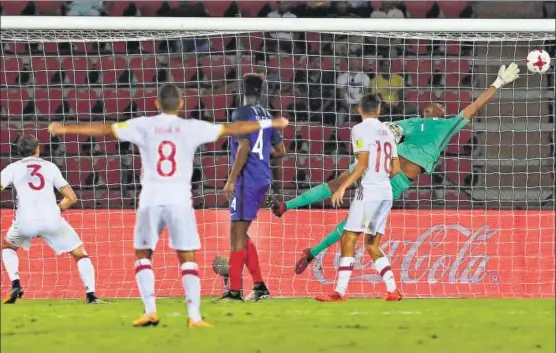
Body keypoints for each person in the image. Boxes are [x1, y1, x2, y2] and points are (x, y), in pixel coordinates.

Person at [48, 84, 289, 327]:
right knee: (187, 256)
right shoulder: (190, 127)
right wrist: (271, 124)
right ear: (181, 104)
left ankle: (150, 311)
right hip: (179, 200)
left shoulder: (143, 125)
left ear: (156, 103)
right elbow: (232, 129)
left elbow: (104, 130)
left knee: (143, 254)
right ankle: (194, 317)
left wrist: (66, 127)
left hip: (151, 199)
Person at [271, 63, 520, 283]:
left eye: (442, 104)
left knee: (353, 228)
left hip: (397, 181)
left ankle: (312, 252)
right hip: (378, 168)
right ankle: (287, 206)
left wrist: (498, 83)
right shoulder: (410, 122)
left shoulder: (448, 125)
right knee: (337, 183)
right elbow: (385, 132)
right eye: (436, 103)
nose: (439, 105)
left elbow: (475, 106)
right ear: (428, 110)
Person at [315, 94, 400, 302]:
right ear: (379, 111)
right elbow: (396, 170)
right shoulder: (389, 131)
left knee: (349, 238)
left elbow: (362, 163)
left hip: (369, 191)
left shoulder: (359, 129)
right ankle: (392, 290)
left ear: (359, 109)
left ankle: (340, 291)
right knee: (371, 244)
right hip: (385, 192)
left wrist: (342, 187)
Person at [1, 135, 102, 304]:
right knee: (80, 253)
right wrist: (57, 209)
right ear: (37, 148)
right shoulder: (50, 167)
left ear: (19, 151)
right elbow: (71, 197)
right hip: (51, 219)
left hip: (25, 221)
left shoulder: (12, 168)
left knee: (8, 247)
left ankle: (16, 283)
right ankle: (91, 295)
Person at [219, 74, 286, 302]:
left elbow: (244, 147)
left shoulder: (240, 114)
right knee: (241, 232)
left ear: (243, 90)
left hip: (245, 180)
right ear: (261, 92)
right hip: (263, 178)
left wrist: (230, 180)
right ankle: (259, 286)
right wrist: (261, 155)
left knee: (236, 235)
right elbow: (281, 151)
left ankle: (235, 291)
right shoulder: (267, 116)